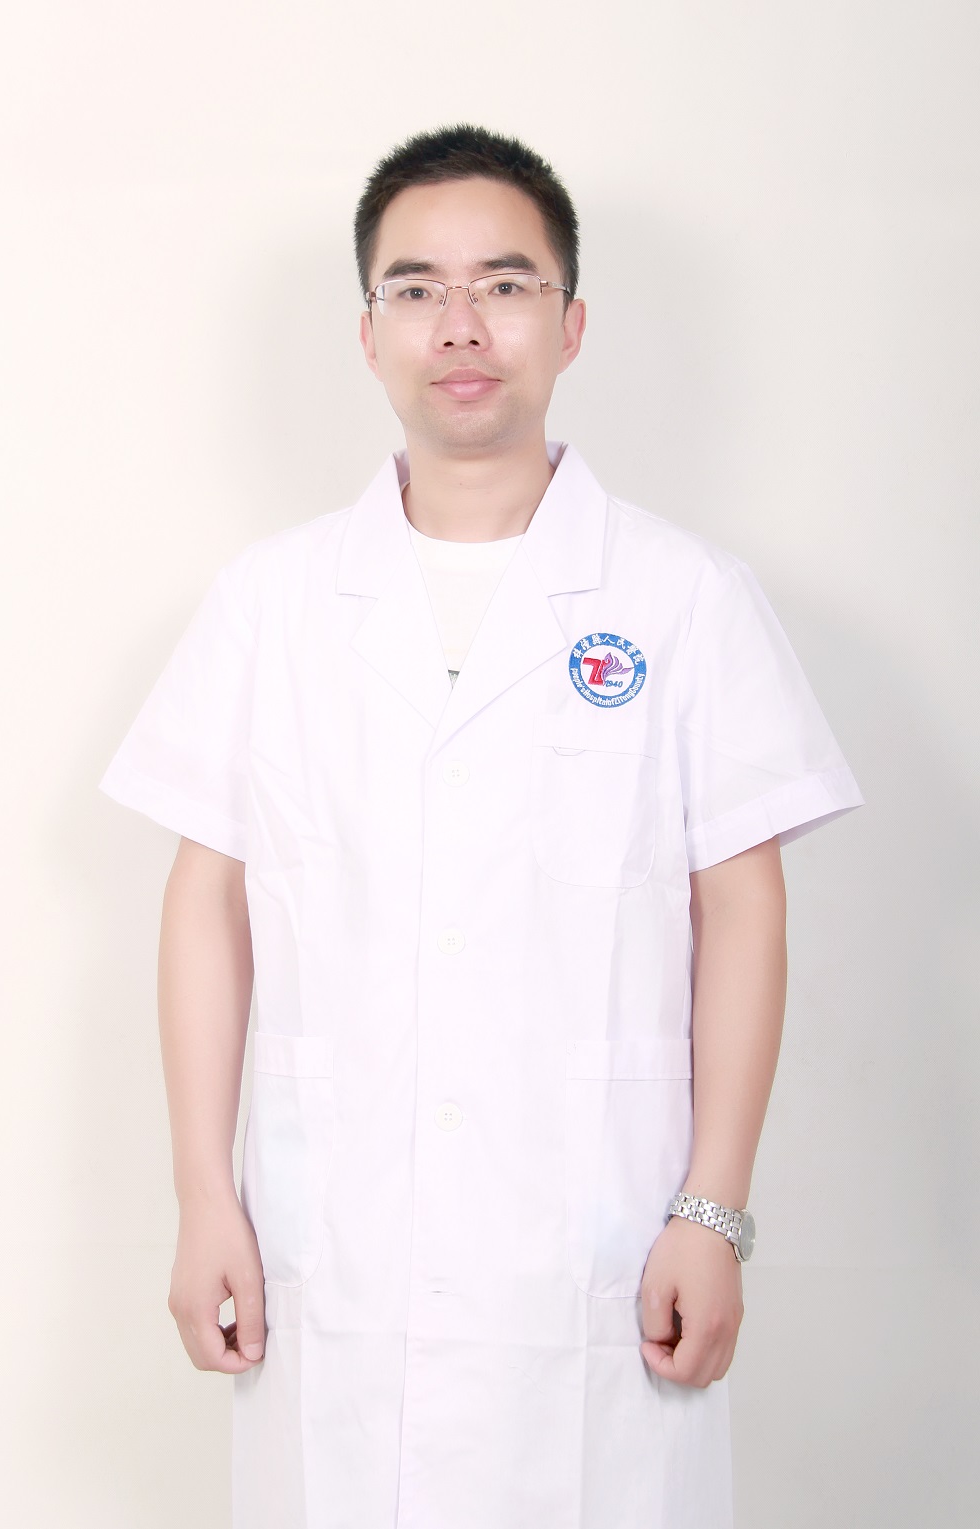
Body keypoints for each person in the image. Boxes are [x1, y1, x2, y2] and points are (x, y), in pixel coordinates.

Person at [100, 124, 863, 1529]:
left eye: (505, 285)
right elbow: (208, 898)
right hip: (338, 1256)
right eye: (417, 288)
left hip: (594, 1249)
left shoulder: (683, 597)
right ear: (369, 333)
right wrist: (206, 1196)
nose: (461, 325)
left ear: (570, 325)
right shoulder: (272, 604)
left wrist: (712, 1210)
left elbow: (743, 906)